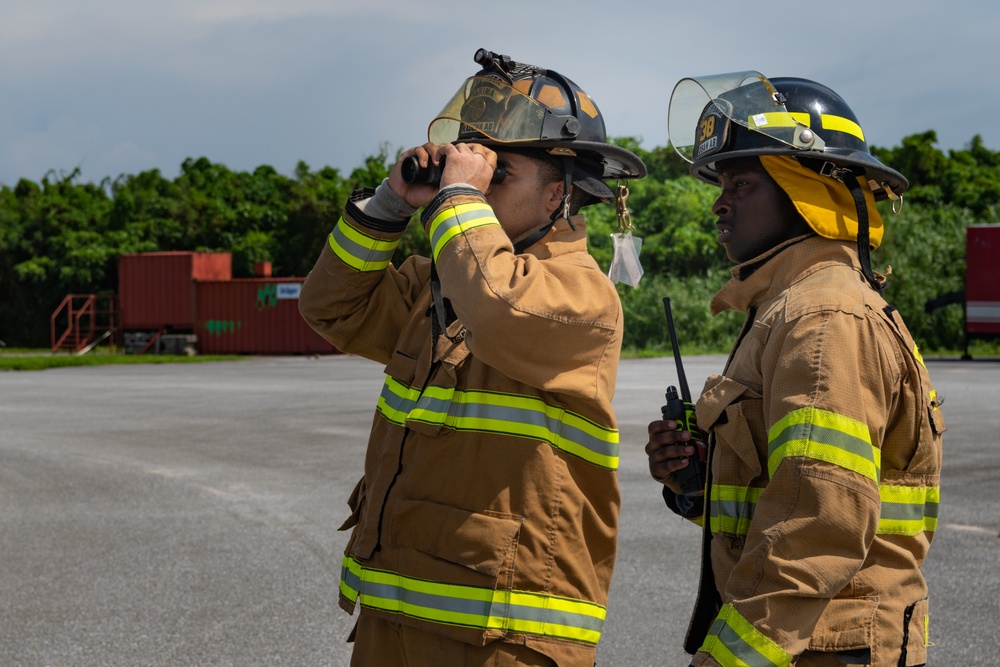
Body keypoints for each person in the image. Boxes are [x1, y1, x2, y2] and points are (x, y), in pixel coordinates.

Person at [299, 48, 646, 666]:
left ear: (557, 196)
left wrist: (458, 195)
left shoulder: (578, 296)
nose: (478, 185)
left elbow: (496, 306)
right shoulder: (441, 282)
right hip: (397, 617)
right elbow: (330, 309)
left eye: (497, 173)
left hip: (505, 635)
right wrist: (388, 205)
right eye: (471, 167)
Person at [645, 72, 944, 667]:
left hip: (822, 645)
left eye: (743, 183)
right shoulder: (788, 307)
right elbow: (788, 494)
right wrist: (699, 482)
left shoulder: (823, 316)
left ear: (805, 188)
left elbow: (816, 525)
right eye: (721, 182)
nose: (719, 201)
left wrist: (724, 661)